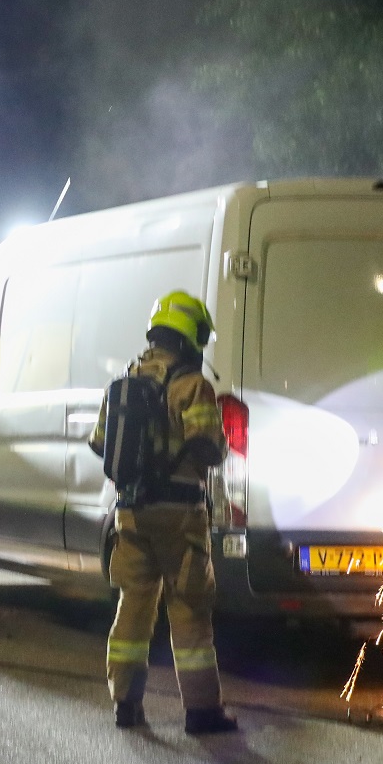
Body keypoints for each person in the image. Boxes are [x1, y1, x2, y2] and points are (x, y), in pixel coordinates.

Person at [90, 291, 236, 735]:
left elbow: (100, 443)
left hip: (131, 513)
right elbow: (209, 449)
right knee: (188, 609)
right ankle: (202, 712)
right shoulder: (191, 386)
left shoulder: (124, 380)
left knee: (133, 606)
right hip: (179, 516)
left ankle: (125, 704)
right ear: (191, 337)